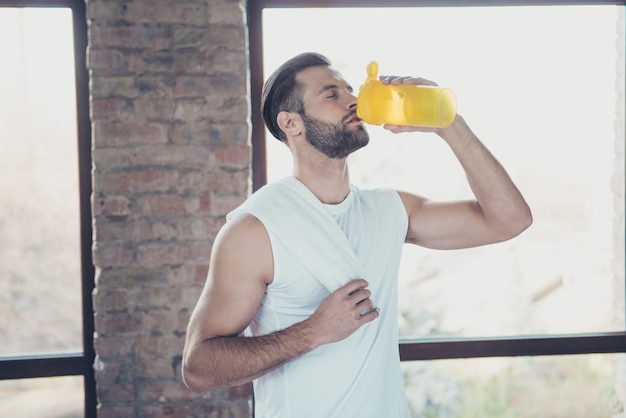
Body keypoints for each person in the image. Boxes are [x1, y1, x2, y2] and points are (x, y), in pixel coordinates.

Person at [182, 52, 532, 417]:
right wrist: (313, 331)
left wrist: (448, 124)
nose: (353, 100)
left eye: (350, 90)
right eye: (331, 94)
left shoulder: (389, 211)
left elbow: (509, 220)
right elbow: (198, 367)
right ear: (291, 123)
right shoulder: (255, 230)